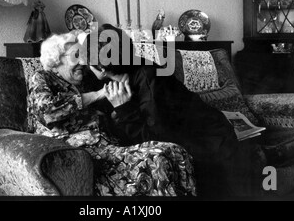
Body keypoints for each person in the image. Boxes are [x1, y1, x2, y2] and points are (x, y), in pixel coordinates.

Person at [84, 23, 262, 198]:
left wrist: (124, 108)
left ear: (100, 68)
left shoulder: (149, 79)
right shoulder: (127, 71)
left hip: (211, 151)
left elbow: (155, 142)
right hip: (206, 140)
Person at [27, 32, 197, 196]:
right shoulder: (42, 78)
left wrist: (121, 103)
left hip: (111, 148)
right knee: (157, 157)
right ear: (56, 60)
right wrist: (98, 94)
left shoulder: (85, 82)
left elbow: (110, 107)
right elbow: (47, 112)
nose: (83, 61)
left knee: (175, 151)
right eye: (75, 56)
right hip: (82, 157)